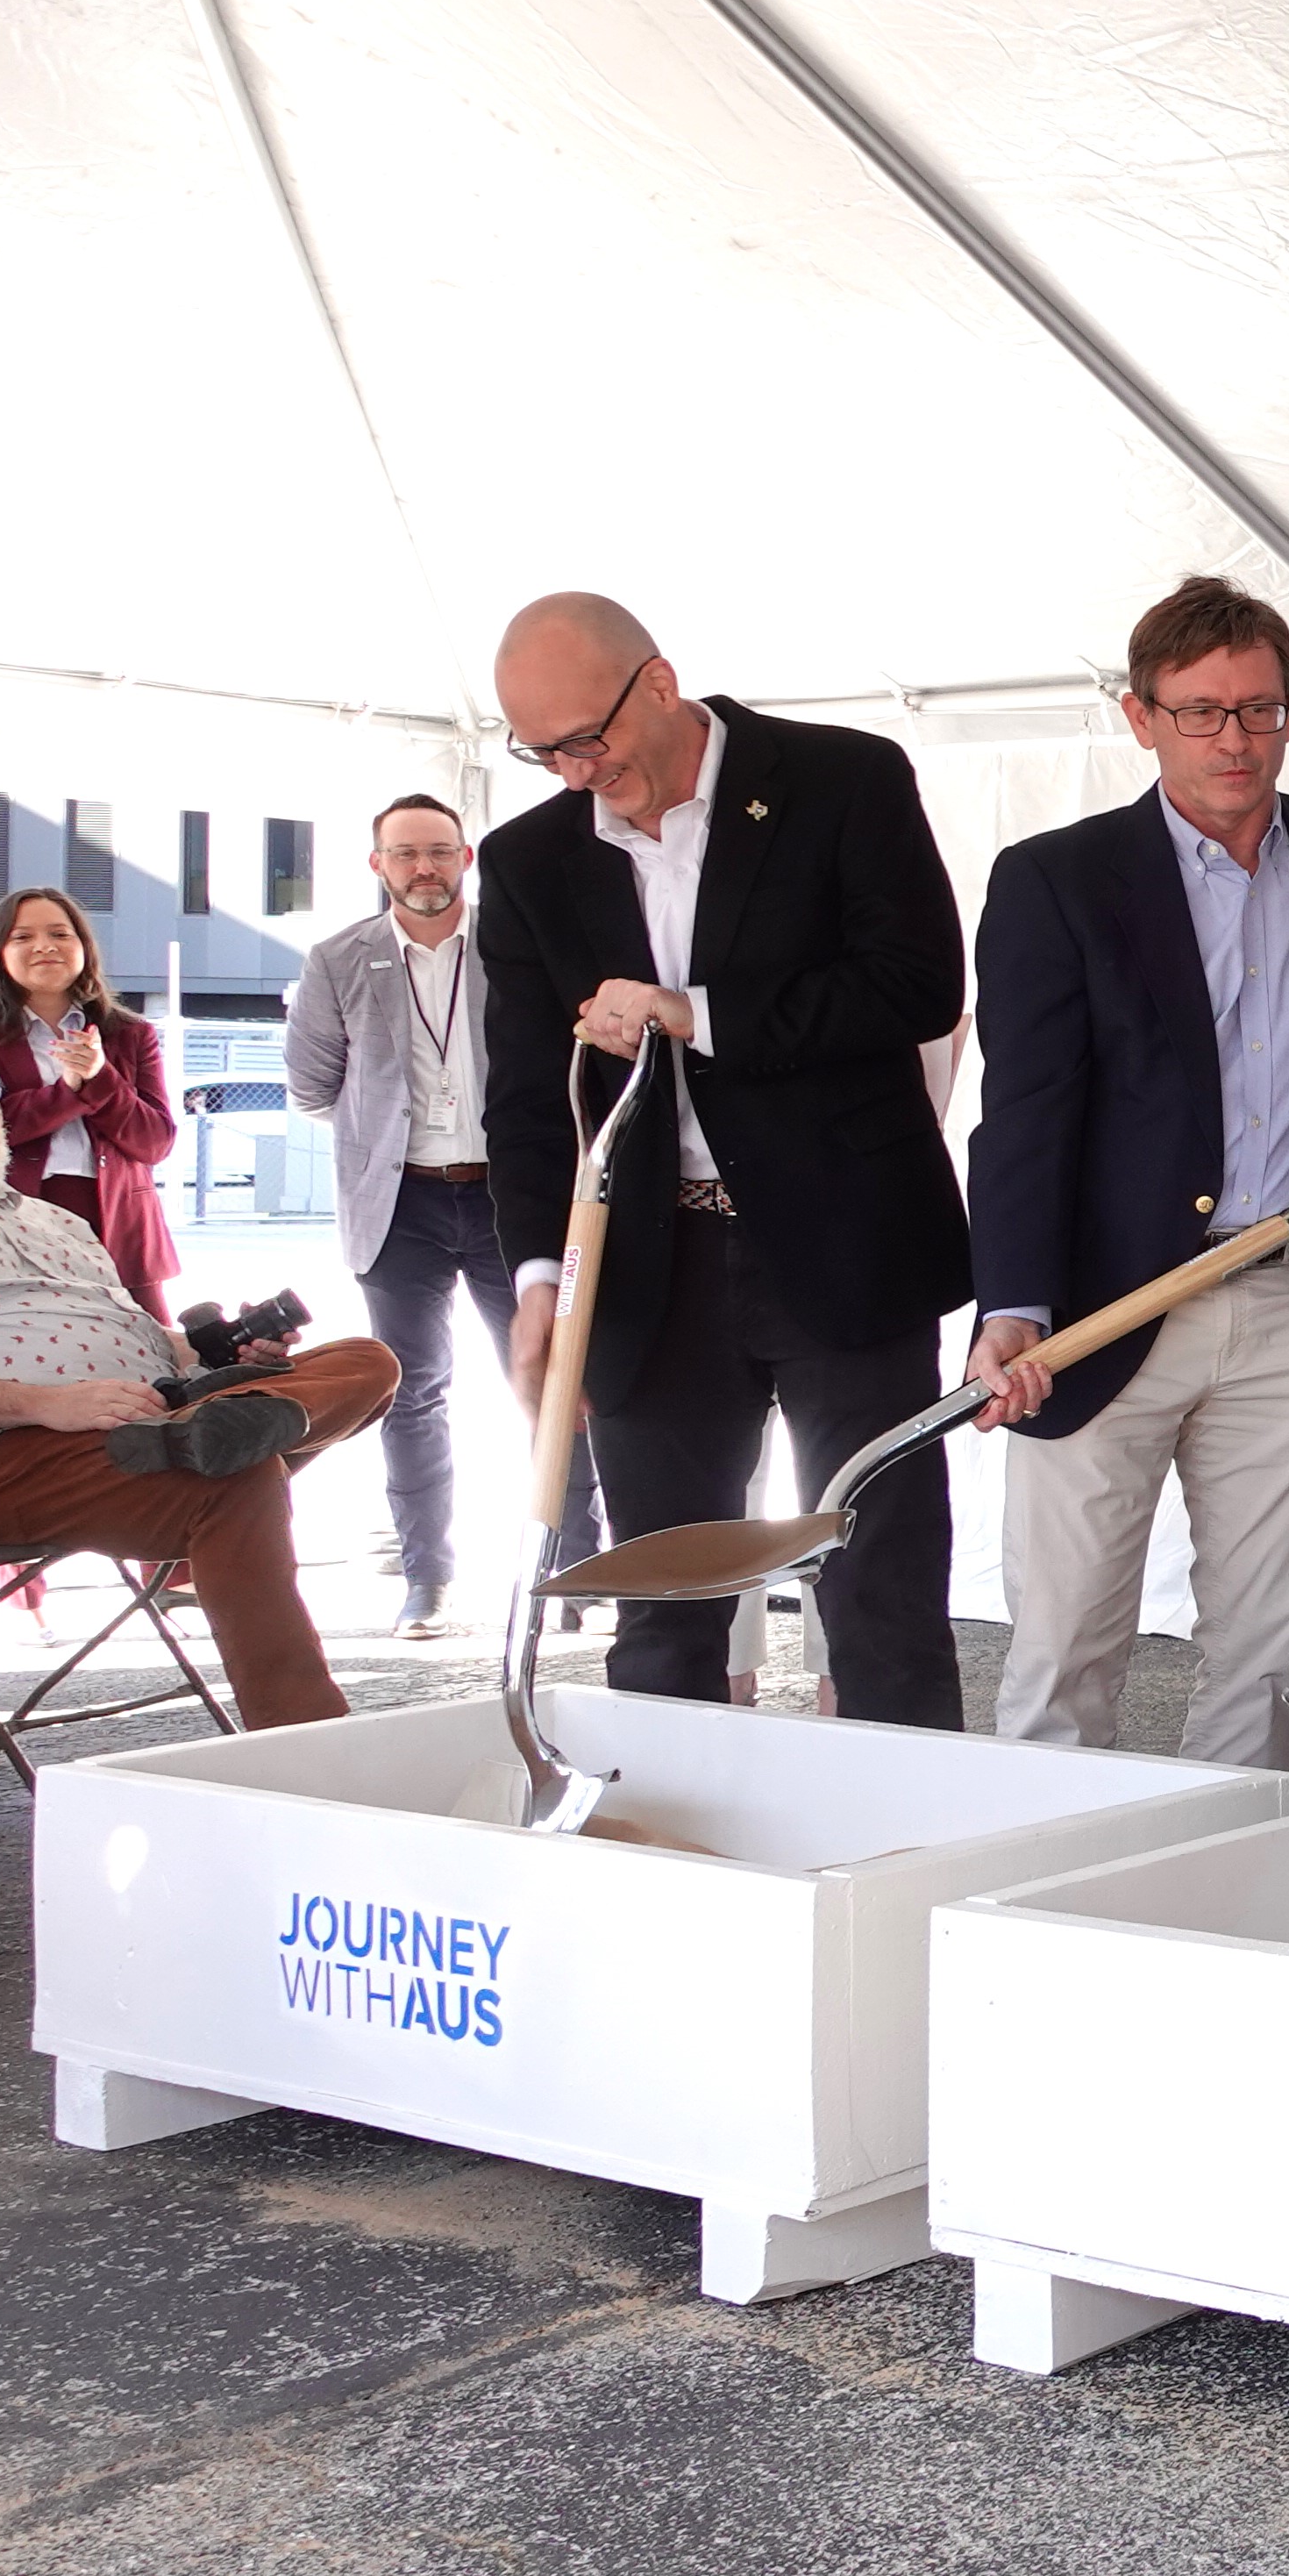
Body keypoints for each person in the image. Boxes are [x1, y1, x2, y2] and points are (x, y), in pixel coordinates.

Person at [965, 576, 1289, 1765]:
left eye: (1259, 710)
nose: (1234, 741)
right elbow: (1021, 1110)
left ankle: (1225, 1911)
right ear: (1141, 719)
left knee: (1266, 1664)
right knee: (1065, 1647)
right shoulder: (1056, 880)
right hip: (1102, 1309)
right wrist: (1014, 1306)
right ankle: (1029, 1915)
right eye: (1200, 713)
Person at [480, 591, 975, 1727]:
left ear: (658, 683)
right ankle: (667, 1865)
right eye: (542, 750)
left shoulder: (842, 779)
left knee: (882, 1586)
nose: (572, 771)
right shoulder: (528, 861)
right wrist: (541, 1283)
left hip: (845, 1242)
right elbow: (522, 1100)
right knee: (662, 1599)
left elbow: (919, 984)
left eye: (586, 738)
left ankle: (905, 1863)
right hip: (651, 1269)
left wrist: (696, 1014)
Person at [0, 1015, 394, 1724]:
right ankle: (305, 1735)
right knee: (237, 1479)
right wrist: (44, 1405)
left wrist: (212, 1354)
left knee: (369, 1360)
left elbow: (130, 1335)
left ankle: (218, 1424)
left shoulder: (49, 1220)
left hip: (149, 1410)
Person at [288, 795, 600, 1638]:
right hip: (401, 1203)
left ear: (465, 860)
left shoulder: (513, 938)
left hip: (514, 1195)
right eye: (404, 854)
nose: (422, 868)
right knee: (411, 1392)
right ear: (377, 865)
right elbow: (312, 1087)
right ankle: (428, 1578)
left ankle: (575, 1563)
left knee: (551, 1380)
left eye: (438, 852)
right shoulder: (338, 959)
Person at [0, 888, 177, 1324]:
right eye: (22, 937)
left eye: (60, 933)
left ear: (83, 947)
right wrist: (70, 1091)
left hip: (117, 1219)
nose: (44, 946)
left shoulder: (130, 1034)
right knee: (33, 1345)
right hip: (15, 1214)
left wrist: (100, 1077)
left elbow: (154, 1143)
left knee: (152, 1355)